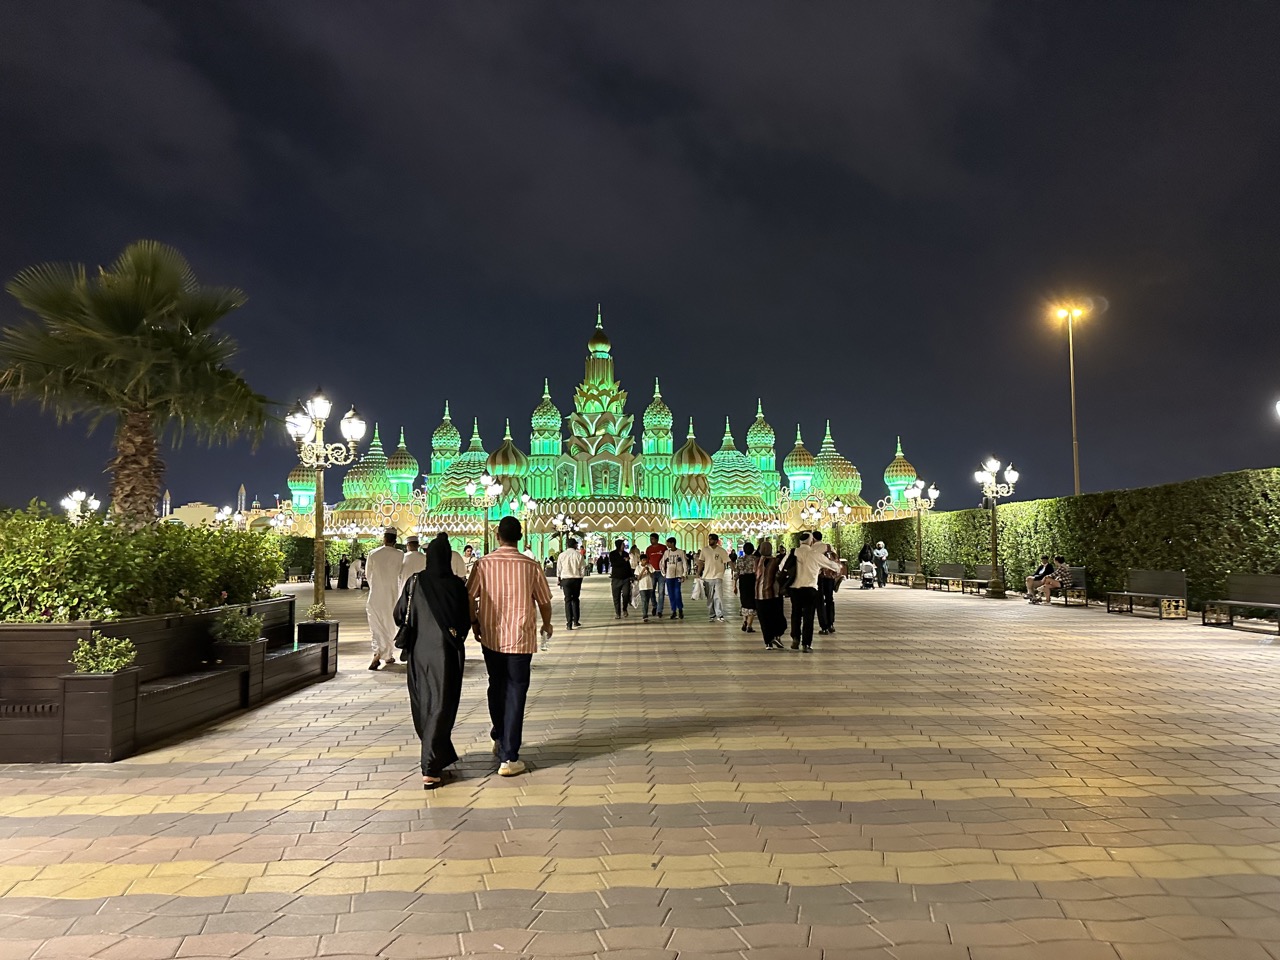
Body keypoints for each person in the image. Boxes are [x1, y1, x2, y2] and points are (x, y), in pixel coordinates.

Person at [468, 515, 553, 777]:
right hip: (520, 638)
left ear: (497, 536)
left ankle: (500, 736)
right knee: (516, 692)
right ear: (520, 536)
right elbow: (544, 600)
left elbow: (470, 596)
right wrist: (546, 625)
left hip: (492, 637)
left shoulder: (483, 564)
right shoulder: (531, 565)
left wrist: (474, 622)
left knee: (496, 685)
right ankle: (509, 755)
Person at [394, 533, 470, 789]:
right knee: (442, 705)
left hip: (418, 654)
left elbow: (398, 614)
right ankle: (430, 767)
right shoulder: (457, 586)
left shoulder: (415, 582)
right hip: (446, 655)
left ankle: (437, 757)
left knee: (424, 704)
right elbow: (464, 620)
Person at [790, 531, 842, 652]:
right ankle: (806, 644)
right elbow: (834, 566)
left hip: (794, 589)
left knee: (796, 614)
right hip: (810, 588)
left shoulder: (793, 552)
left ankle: (795, 638)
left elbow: (782, 567)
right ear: (810, 541)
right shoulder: (814, 554)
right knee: (808, 616)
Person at [365, 529, 404, 670]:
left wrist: (375, 586)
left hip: (376, 594)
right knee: (390, 624)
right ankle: (386, 654)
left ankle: (379, 652)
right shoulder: (400, 555)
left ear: (384, 539)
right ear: (395, 540)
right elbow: (400, 574)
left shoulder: (373, 554)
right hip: (392, 594)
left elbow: (368, 574)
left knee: (376, 625)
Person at [754, 541, 786, 649]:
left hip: (759, 594)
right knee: (776, 617)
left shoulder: (757, 561)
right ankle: (776, 636)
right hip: (774, 594)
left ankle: (768, 642)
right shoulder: (776, 561)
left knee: (764, 619)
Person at [696, 533, 732, 622]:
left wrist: (734, 569)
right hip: (707, 577)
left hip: (718, 576)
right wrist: (698, 573)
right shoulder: (705, 550)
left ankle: (719, 614)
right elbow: (700, 562)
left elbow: (728, 561)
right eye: (709, 539)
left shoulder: (721, 550)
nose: (709, 541)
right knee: (710, 597)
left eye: (711, 539)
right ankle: (712, 614)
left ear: (716, 541)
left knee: (719, 596)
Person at [813, 531, 842, 635]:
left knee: (820, 601)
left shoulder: (812, 548)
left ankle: (824, 626)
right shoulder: (829, 546)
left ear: (813, 538)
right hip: (829, 577)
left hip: (818, 577)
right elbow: (836, 560)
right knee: (829, 599)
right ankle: (831, 624)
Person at [555, 536, 585, 629]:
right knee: (575, 599)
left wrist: (559, 578)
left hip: (566, 580)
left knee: (567, 600)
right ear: (575, 545)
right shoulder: (579, 555)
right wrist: (581, 577)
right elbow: (583, 568)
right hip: (576, 579)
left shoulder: (562, 555)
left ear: (567, 545)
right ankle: (576, 621)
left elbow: (559, 568)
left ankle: (569, 623)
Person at [733, 541, 758, 633]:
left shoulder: (740, 559)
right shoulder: (755, 559)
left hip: (742, 581)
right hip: (752, 580)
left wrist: (734, 585)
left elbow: (736, 573)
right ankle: (749, 625)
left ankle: (744, 620)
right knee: (752, 602)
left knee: (744, 601)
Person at [661, 537, 688, 619]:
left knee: (677, 593)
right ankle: (673, 610)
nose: (667, 544)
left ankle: (680, 609)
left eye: (668, 543)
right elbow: (662, 563)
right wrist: (664, 573)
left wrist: (684, 574)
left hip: (678, 576)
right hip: (669, 576)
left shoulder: (680, 552)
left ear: (672, 543)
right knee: (671, 594)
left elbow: (684, 563)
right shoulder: (666, 552)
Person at [608, 538, 634, 618]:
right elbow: (614, 564)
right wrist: (624, 561)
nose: (624, 546)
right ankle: (617, 613)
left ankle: (624, 609)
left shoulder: (625, 554)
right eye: (622, 544)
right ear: (618, 545)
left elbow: (628, 565)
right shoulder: (612, 554)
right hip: (616, 578)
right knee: (616, 596)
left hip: (625, 578)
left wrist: (631, 575)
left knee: (626, 594)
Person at [645, 533, 667, 618]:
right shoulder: (649, 549)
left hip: (661, 572)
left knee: (661, 592)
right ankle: (654, 605)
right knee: (651, 591)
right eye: (650, 539)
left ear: (657, 539)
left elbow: (666, 559)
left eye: (652, 539)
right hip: (652, 573)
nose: (651, 541)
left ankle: (659, 610)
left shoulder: (663, 548)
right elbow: (646, 560)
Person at [635, 556, 657, 622]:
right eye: (643, 560)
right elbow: (638, 578)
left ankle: (646, 613)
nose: (645, 561)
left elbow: (653, 576)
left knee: (647, 601)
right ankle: (645, 615)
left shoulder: (650, 566)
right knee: (644, 600)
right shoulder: (638, 567)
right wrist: (643, 570)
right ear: (641, 560)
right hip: (642, 587)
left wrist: (648, 571)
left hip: (649, 586)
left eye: (646, 560)